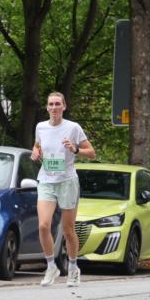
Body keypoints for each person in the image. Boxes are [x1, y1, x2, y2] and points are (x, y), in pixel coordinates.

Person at [31, 91, 96, 287]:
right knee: (43, 225)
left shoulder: (73, 128)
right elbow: (37, 145)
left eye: (57, 104)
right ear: (47, 107)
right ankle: (51, 266)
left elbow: (91, 153)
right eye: (50, 104)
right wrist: (36, 152)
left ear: (64, 106)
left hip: (67, 181)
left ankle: (74, 267)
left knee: (68, 230)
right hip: (46, 180)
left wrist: (75, 149)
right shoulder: (40, 127)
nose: (54, 107)